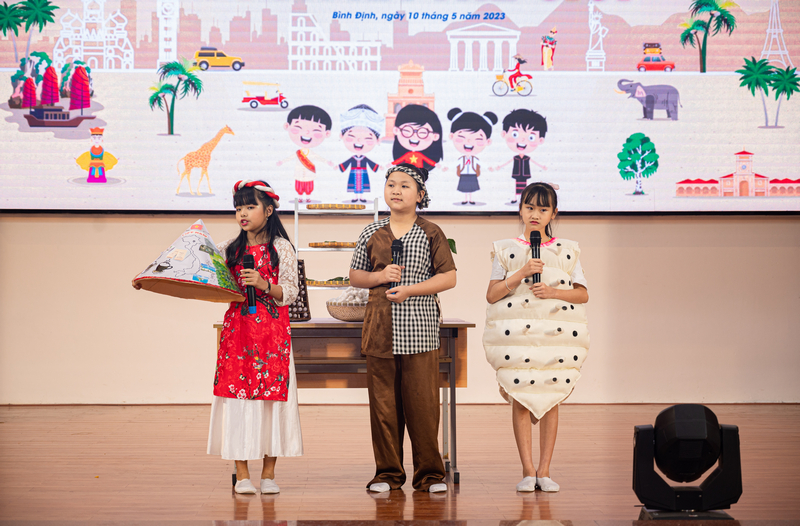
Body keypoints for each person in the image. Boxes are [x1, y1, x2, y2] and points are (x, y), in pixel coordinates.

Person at [349, 163, 457, 493]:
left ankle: (430, 476)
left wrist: (410, 289)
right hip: (380, 331)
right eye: (391, 184)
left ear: (420, 195)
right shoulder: (371, 232)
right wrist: (380, 276)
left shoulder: (431, 232)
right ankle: (387, 474)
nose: (396, 190)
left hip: (420, 331)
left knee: (423, 406)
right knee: (384, 408)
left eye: (405, 185)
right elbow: (356, 276)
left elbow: (449, 277)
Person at [482, 182, 589, 493]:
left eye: (543, 209)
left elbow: (582, 294)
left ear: (553, 213)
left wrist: (553, 292)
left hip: (554, 337)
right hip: (518, 338)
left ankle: (545, 470)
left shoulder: (567, 250)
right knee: (520, 398)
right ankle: (528, 471)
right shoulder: (505, 249)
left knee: (551, 398)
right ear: (520, 210)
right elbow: (492, 294)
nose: (535, 214)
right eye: (530, 207)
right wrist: (521, 273)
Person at [207, 180, 303, 495]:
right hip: (238, 333)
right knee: (238, 400)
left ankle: (269, 474)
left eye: (250, 206)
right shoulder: (228, 249)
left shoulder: (281, 248)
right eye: (238, 208)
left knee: (271, 401)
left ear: (269, 210)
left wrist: (264, 284)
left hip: (272, 335)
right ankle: (242, 474)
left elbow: (290, 292)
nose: (243, 214)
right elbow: (199, 270)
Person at [277, 105, 335, 203]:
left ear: (327, 133)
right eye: (298, 127)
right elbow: (290, 158)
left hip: (309, 173)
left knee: (309, 186)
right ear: (287, 126)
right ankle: (300, 197)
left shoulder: (311, 152)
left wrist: (327, 162)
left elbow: (319, 158)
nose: (307, 132)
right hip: (299, 173)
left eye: (316, 130)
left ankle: (308, 197)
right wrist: (282, 161)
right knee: (299, 185)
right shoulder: (298, 153)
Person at [490, 109, 549, 204]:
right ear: (504, 134)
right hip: (517, 173)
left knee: (524, 186)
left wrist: (542, 166)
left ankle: (523, 199)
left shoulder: (527, 158)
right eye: (515, 134)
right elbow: (508, 162)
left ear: (540, 140)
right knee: (517, 186)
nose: (522, 139)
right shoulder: (516, 157)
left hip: (525, 173)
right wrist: (500, 166)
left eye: (531, 137)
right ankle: (515, 198)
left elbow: (534, 162)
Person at [447, 107, 497, 205]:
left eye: (477, 139)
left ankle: (471, 199)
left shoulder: (475, 159)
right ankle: (465, 199)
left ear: (488, 141)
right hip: (463, 174)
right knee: (465, 188)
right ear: (451, 136)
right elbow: (455, 164)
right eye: (462, 137)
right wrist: (447, 167)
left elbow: (481, 164)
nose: (469, 141)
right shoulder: (461, 159)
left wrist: (488, 167)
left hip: (472, 174)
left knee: (471, 188)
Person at [338, 104, 383, 203]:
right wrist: (339, 166)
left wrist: (378, 167)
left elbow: (371, 163)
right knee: (354, 185)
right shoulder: (353, 158)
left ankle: (361, 197)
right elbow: (346, 163)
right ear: (342, 136)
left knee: (362, 185)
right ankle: (355, 197)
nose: (359, 141)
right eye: (351, 136)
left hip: (363, 173)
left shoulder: (364, 158)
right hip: (353, 173)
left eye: (368, 138)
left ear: (377, 140)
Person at [391, 104, 443, 172]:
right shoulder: (407, 156)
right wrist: (391, 164)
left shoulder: (420, 157)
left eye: (422, 132)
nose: (414, 135)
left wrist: (436, 164)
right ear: (396, 130)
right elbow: (399, 160)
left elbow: (428, 160)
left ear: (435, 136)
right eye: (407, 130)